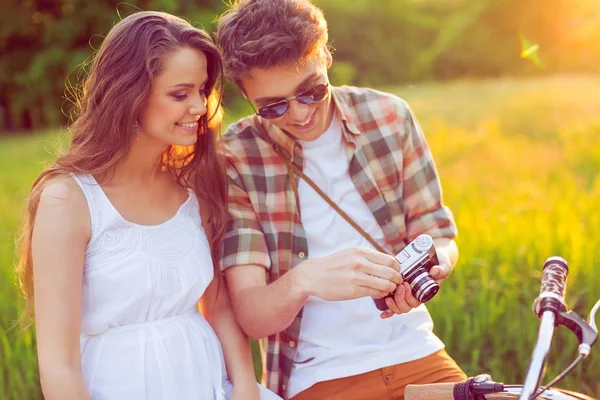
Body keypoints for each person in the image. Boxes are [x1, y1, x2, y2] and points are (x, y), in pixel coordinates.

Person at [15, 11, 280, 400]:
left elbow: (217, 305)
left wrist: (244, 387)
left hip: (211, 387)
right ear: (130, 94)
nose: (200, 107)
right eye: (180, 93)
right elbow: (59, 366)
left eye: (202, 90)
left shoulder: (193, 185)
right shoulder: (68, 200)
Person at [215, 1, 468, 399]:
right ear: (245, 94)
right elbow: (251, 316)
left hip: (419, 352)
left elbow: (438, 236)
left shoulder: (389, 116)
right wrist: (304, 280)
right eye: (273, 106)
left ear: (327, 56)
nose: (299, 114)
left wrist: (431, 266)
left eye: (311, 91)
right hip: (318, 377)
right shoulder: (234, 156)